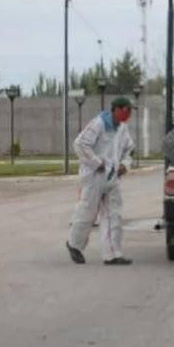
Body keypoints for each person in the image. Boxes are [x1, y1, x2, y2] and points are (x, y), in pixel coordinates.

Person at [66, 96, 136, 265]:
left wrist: (125, 165)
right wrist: (96, 163)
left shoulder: (122, 129)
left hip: (112, 177)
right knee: (87, 212)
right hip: (94, 177)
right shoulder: (98, 124)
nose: (129, 114)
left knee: (114, 215)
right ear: (117, 109)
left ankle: (112, 254)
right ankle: (74, 244)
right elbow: (80, 144)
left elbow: (130, 150)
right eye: (127, 110)